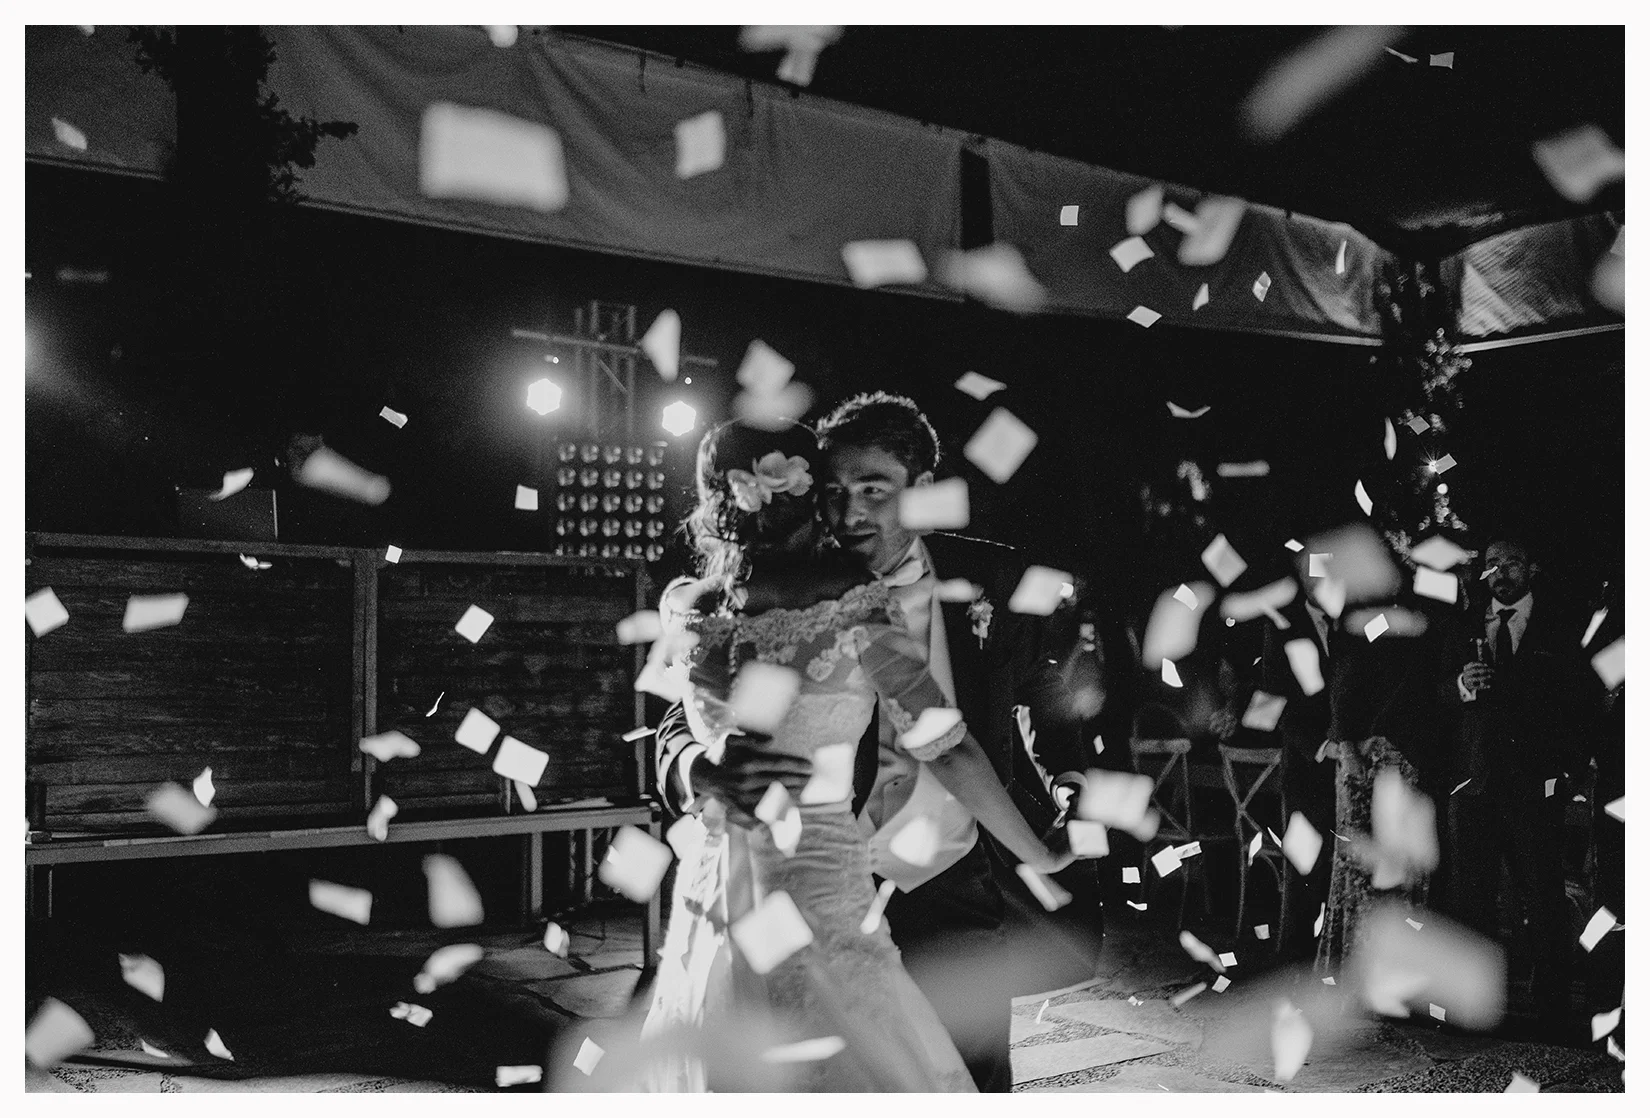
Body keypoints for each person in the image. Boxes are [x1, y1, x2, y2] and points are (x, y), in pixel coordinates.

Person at [656, 393, 1095, 1092]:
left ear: (921, 489)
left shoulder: (995, 580)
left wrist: (1068, 783)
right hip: (826, 875)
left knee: (964, 1076)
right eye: (832, 493)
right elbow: (683, 720)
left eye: (872, 490)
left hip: (948, 880)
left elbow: (1045, 694)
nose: (850, 513)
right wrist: (694, 769)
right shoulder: (790, 595)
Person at [1446, 538, 1600, 1040]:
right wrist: (1460, 686)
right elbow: (1430, 692)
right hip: (1473, 783)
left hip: (1536, 786)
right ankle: (1474, 1009)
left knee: (1543, 897)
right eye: (1492, 564)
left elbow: (1583, 697)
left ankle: (1551, 1013)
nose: (1500, 572)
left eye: (1510, 562)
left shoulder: (1559, 627)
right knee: (1473, 899)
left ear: (1531, 568)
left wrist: (1569, 771)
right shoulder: (1464, 625)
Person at [1313, 577, 1453, 975]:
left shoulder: (1428, 621)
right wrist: (1347, 746)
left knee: (1401, 868)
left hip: (1408, 758)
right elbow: (1344, 682)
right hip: (1370, 759)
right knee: (1364, 872)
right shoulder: (1365, 621)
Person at [1257, 549, 1340, 964]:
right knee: (1304, 867)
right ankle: (1294, 960)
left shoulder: (1351, 623)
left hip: (1353, 766)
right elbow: (1274, 702)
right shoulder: (1283, 626)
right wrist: (1321, 746)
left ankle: (1334, 956)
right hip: (1307, 768)